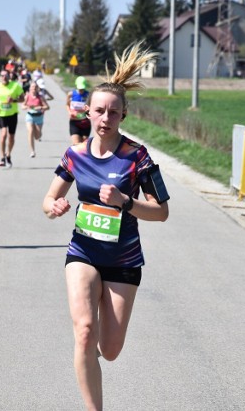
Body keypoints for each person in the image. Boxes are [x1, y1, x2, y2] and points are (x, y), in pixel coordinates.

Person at [42, 42, 170, 411]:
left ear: (123, 115)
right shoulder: (75, 154)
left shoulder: (137, 157)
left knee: (109, 350)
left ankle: (94, 361)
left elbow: (161, 212)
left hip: (124, 259)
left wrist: (125, 202)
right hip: (82, 251)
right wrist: (56, 206)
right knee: (84, 331)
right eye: (99, 110)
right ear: (88, 113)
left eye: (113, 112)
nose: (105, 118)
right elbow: (47, 201)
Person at [0, 69, 24, 168]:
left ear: (9, 76)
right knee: (3, 134)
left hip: (12, 114)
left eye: (6, 76)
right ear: (0, 76)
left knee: (11, 137)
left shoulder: (15, 86)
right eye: (2, 75)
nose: (4, 77)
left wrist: (13, 100)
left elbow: (22, 99)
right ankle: (2, 158)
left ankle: (8, 154)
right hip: (1, 114)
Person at [21, 80, 50, 158]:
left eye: (35, 87)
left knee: (37, 136)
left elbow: (47, 107)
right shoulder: (27, 96)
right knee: (30, 131)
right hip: (30, 116)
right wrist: (27, 107)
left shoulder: (40, 97)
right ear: (30, 88)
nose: (34, 88)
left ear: (37, 88)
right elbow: (22, 106)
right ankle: (32, 151)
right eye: (32, 87)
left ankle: (39, 134)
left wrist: (40, 107)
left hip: (39, 117)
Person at [66, 76, 91, 145]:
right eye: (80, 88)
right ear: (76, 85)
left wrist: (84, 110)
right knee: (76, 144)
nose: (81, 90)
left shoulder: (88, 95)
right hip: (74, 122)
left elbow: (91, 108)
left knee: (84, 145)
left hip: (85, 122)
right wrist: (70, 112)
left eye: (82, 88)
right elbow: (67, 105)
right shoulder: (71, 94)